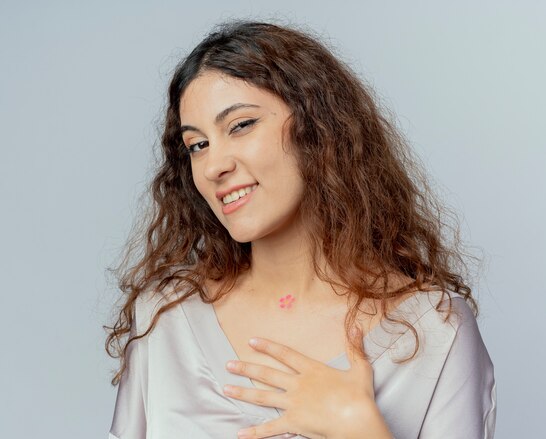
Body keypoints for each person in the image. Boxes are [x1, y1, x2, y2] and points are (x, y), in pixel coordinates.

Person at [104, 20, 497, 439]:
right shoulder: (164, 318)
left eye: (240, 125)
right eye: (197, 145)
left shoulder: (434, 330)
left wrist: (360, 429)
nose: (214, 166)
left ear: (318, 127)